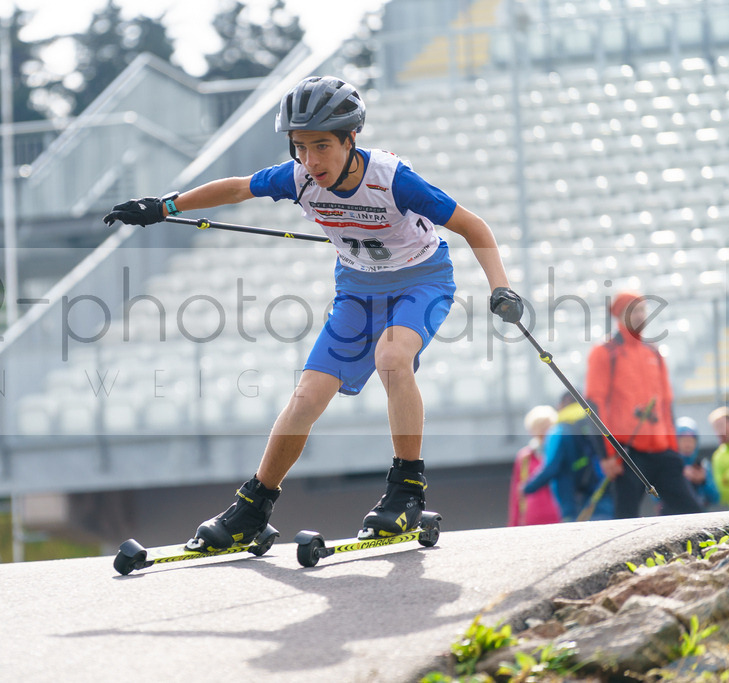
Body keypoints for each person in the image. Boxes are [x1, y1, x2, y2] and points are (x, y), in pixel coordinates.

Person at [103, 75, 524, 549]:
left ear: (351, 139)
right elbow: (240, 188)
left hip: (421, 282)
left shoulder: (393, 180)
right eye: (300, 147)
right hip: (357, 291)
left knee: (391, 358)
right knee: (306, 398)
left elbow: (473, 225)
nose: (311, 160)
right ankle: (253, 508)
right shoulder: (299, 177)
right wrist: (164, 206)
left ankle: (407, 491)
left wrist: (501, 288)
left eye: (322, 146)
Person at [585, 292, 702, 518]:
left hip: (661, 451)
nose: (639, 315)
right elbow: (594, 405)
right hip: (627, 453)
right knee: (625, 519)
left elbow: (667, 405)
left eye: (642, 310)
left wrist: (673, 450)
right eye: (633, 311)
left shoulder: (654, 352)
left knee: (692, 512)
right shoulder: (605, 352)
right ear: (619, 315)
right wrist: (607, 455)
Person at [523, 392, 613, 522]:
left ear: (562, 405)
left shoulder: (559, 430)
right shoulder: (596, 423)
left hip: (572, 501)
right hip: (602, 491)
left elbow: (551, 467)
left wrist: (527, 487)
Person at [508, 405, 561, 526]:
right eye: (539, 427)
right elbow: (516, 494)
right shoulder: (524, 457)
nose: (543, 432)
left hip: (558, 516)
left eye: (546, 427)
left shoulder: (558, 452)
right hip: (532, 519)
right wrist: (513, 525)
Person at [675, 416, 719, 511]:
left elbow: (715, 498)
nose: (688, 444)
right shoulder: (669, 466)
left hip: (699, 516)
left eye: (691, 440)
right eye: (683, 440)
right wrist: (680, 477)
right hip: (675, 517)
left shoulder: (702, 466)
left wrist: (703, 481)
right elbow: (657, 497)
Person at [708, 406, 729, 510]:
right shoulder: (718, 456)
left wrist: (728, 477)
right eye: (715, 428)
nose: (719, 431)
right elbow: (722, 492)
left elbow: (725, 482)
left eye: (721, 426)